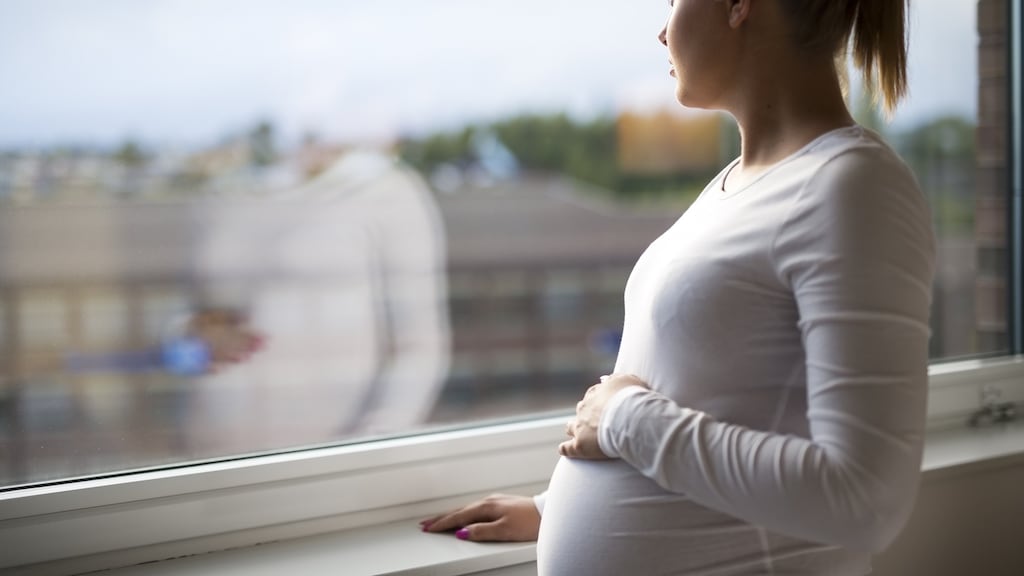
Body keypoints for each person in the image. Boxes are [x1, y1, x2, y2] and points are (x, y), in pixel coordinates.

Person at [421, 0, 936, 574]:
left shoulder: (854, 187)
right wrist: (554, 507)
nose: (663, 30)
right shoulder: (738, 185)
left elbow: (865, 501)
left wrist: (623, 421)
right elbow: (723, 396)